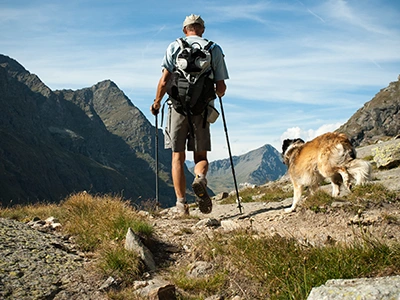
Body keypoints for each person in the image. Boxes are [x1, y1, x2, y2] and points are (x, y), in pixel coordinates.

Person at [150, 14, 229, 216]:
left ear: (185, 30)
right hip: (201, 110)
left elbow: (164, 81)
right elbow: (221, 88)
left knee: (177, 156)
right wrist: (214, 92)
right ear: (202, 29)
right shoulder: (214, 49)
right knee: (200, 155)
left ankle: (181, 205)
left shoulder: (174, 47)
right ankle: (200, 179)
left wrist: (157, 101)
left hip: (176, 108)